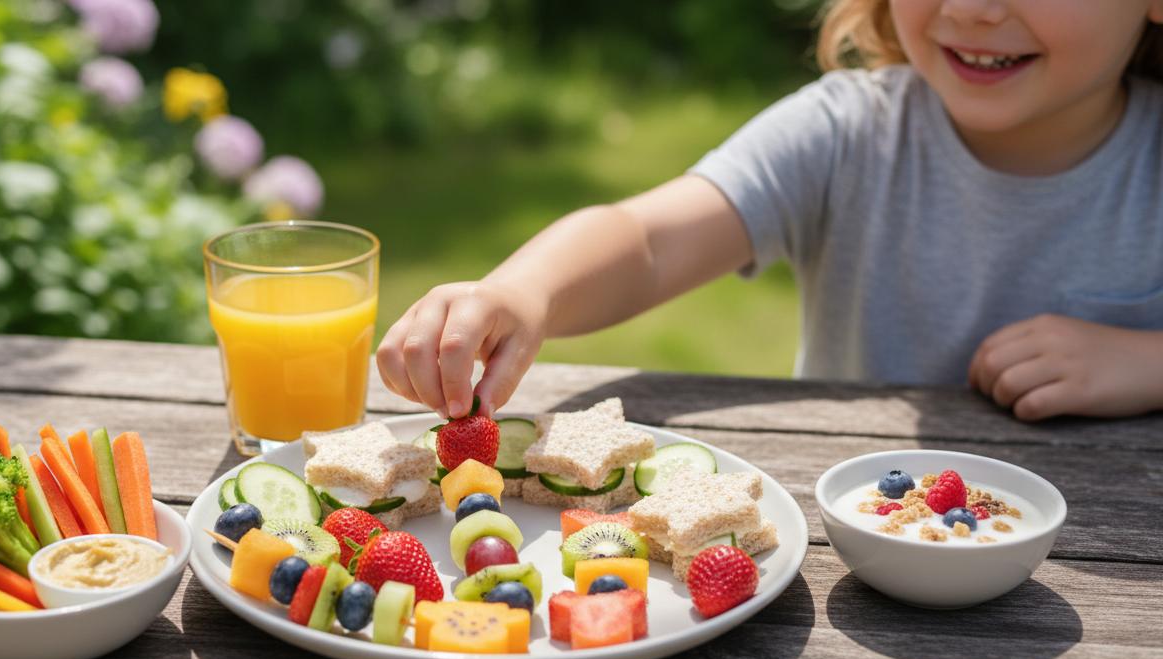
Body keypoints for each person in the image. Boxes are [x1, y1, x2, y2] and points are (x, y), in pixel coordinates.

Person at [377, 0, 1163, 422]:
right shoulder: (849, 131)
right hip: (850, 551)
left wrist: (1147, 363)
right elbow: (648, 240)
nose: (973, 7)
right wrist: (525, 292)